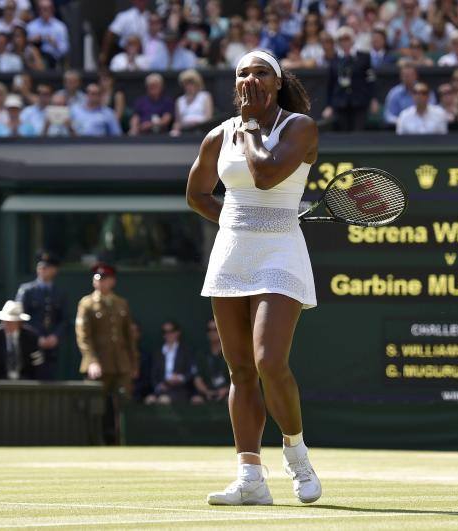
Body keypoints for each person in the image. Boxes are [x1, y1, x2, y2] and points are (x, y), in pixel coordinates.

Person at [185, 49, 321, 506]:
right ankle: (250, 477)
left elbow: (264, 175)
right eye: (243, 72)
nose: (251, 79)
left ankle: (296, 454)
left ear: (278, 82)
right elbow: (197, 195)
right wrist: (234, 220)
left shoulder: (299, 128)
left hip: (282, 250)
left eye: (261, 72)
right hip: (231, 253)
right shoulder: (216, 136)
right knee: (240, 369)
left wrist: (248, 127)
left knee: (268, 361)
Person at [76, 263, 138, 445]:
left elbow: (129, 337)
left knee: (123, 404)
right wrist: (92, 361)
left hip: (121, 364)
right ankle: (95, 442)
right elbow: (83, 337)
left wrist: (134, 363)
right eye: (97, 279)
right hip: (99, 365)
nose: (100, 282)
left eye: (105, 279)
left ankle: (123, 442)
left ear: (112, 281)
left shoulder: (121, 303)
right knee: (96, 406)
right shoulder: (86, 304)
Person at [15, 251, 67, 380]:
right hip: (30, 345)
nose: (43, 269)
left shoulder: (60, 293)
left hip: (51, 348)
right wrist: (36, 338)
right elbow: (19, 318)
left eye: (47, 267)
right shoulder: (27, 290)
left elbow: (64, 319)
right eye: (41, 266)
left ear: (55, 270)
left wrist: (55, 336)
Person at [322, 26, 375, 131]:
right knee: (343, 135)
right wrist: (329, 105)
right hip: (341, 103)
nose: (345, 42)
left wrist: (373, 99)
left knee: (358, 133)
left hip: (359, 102)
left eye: (347, 39)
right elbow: (331, 85)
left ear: (352, 40)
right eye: (341, 40)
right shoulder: (334, 60)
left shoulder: (363, 57)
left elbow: (370, 79)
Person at [0, 300, 43, 380]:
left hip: (25, 384)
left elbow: (37, 364)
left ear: (19, 322)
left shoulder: (31, 337)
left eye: (12, 321)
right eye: (6, 321)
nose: (8, 324)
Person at [146, 320, 195, 404]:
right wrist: (159, 386)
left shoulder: (186, 351)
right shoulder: (157, 353)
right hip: (161, 389)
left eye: (171, 331)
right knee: (149, 400)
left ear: (178, 332)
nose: (168, 334)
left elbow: (191, 371)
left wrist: (180, 378)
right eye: (165, 332)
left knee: (163, 400)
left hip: (180, 390)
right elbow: (153, 375)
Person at [192, 318, 230, 404]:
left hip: (227, 393)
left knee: (231, 400)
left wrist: (226, 390)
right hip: (207, 393)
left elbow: (238, 377)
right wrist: (207, 392)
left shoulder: (230, 353)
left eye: (215, 329)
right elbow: (197, 378)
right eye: (209, 330)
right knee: (196, 400)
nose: (212, 333)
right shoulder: (201, 354)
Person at [26, 0, 69, 68]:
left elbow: (65, 50)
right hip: (34, 61)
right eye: (41, 9)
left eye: (46, 9)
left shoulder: (60, 27)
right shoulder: (31, 26)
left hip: (54, 61)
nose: (43, 11)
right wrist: (31, 41)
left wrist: (55, 43)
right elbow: (24, 47)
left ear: (52, 9)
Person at [171, 68, 213, 136]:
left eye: (192, 83)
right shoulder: (179, 100)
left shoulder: (205, 96)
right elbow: (177, 122)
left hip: (201, 130)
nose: (189, 86)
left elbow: (208, 118)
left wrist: (196, 123)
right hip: (184, 130)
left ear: (197, 84)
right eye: (186, 84)